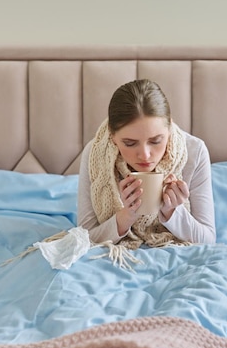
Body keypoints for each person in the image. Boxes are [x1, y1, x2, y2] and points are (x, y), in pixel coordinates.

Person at [77, 79, 216, 249]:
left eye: (156, 141)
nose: (145, 155)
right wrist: (126, 216)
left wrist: (172, 211)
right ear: (113, 137)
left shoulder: (194, 151)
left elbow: (208, 239)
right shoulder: (94, 154)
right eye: (130, 143)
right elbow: (84, 238)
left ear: (169, 128)